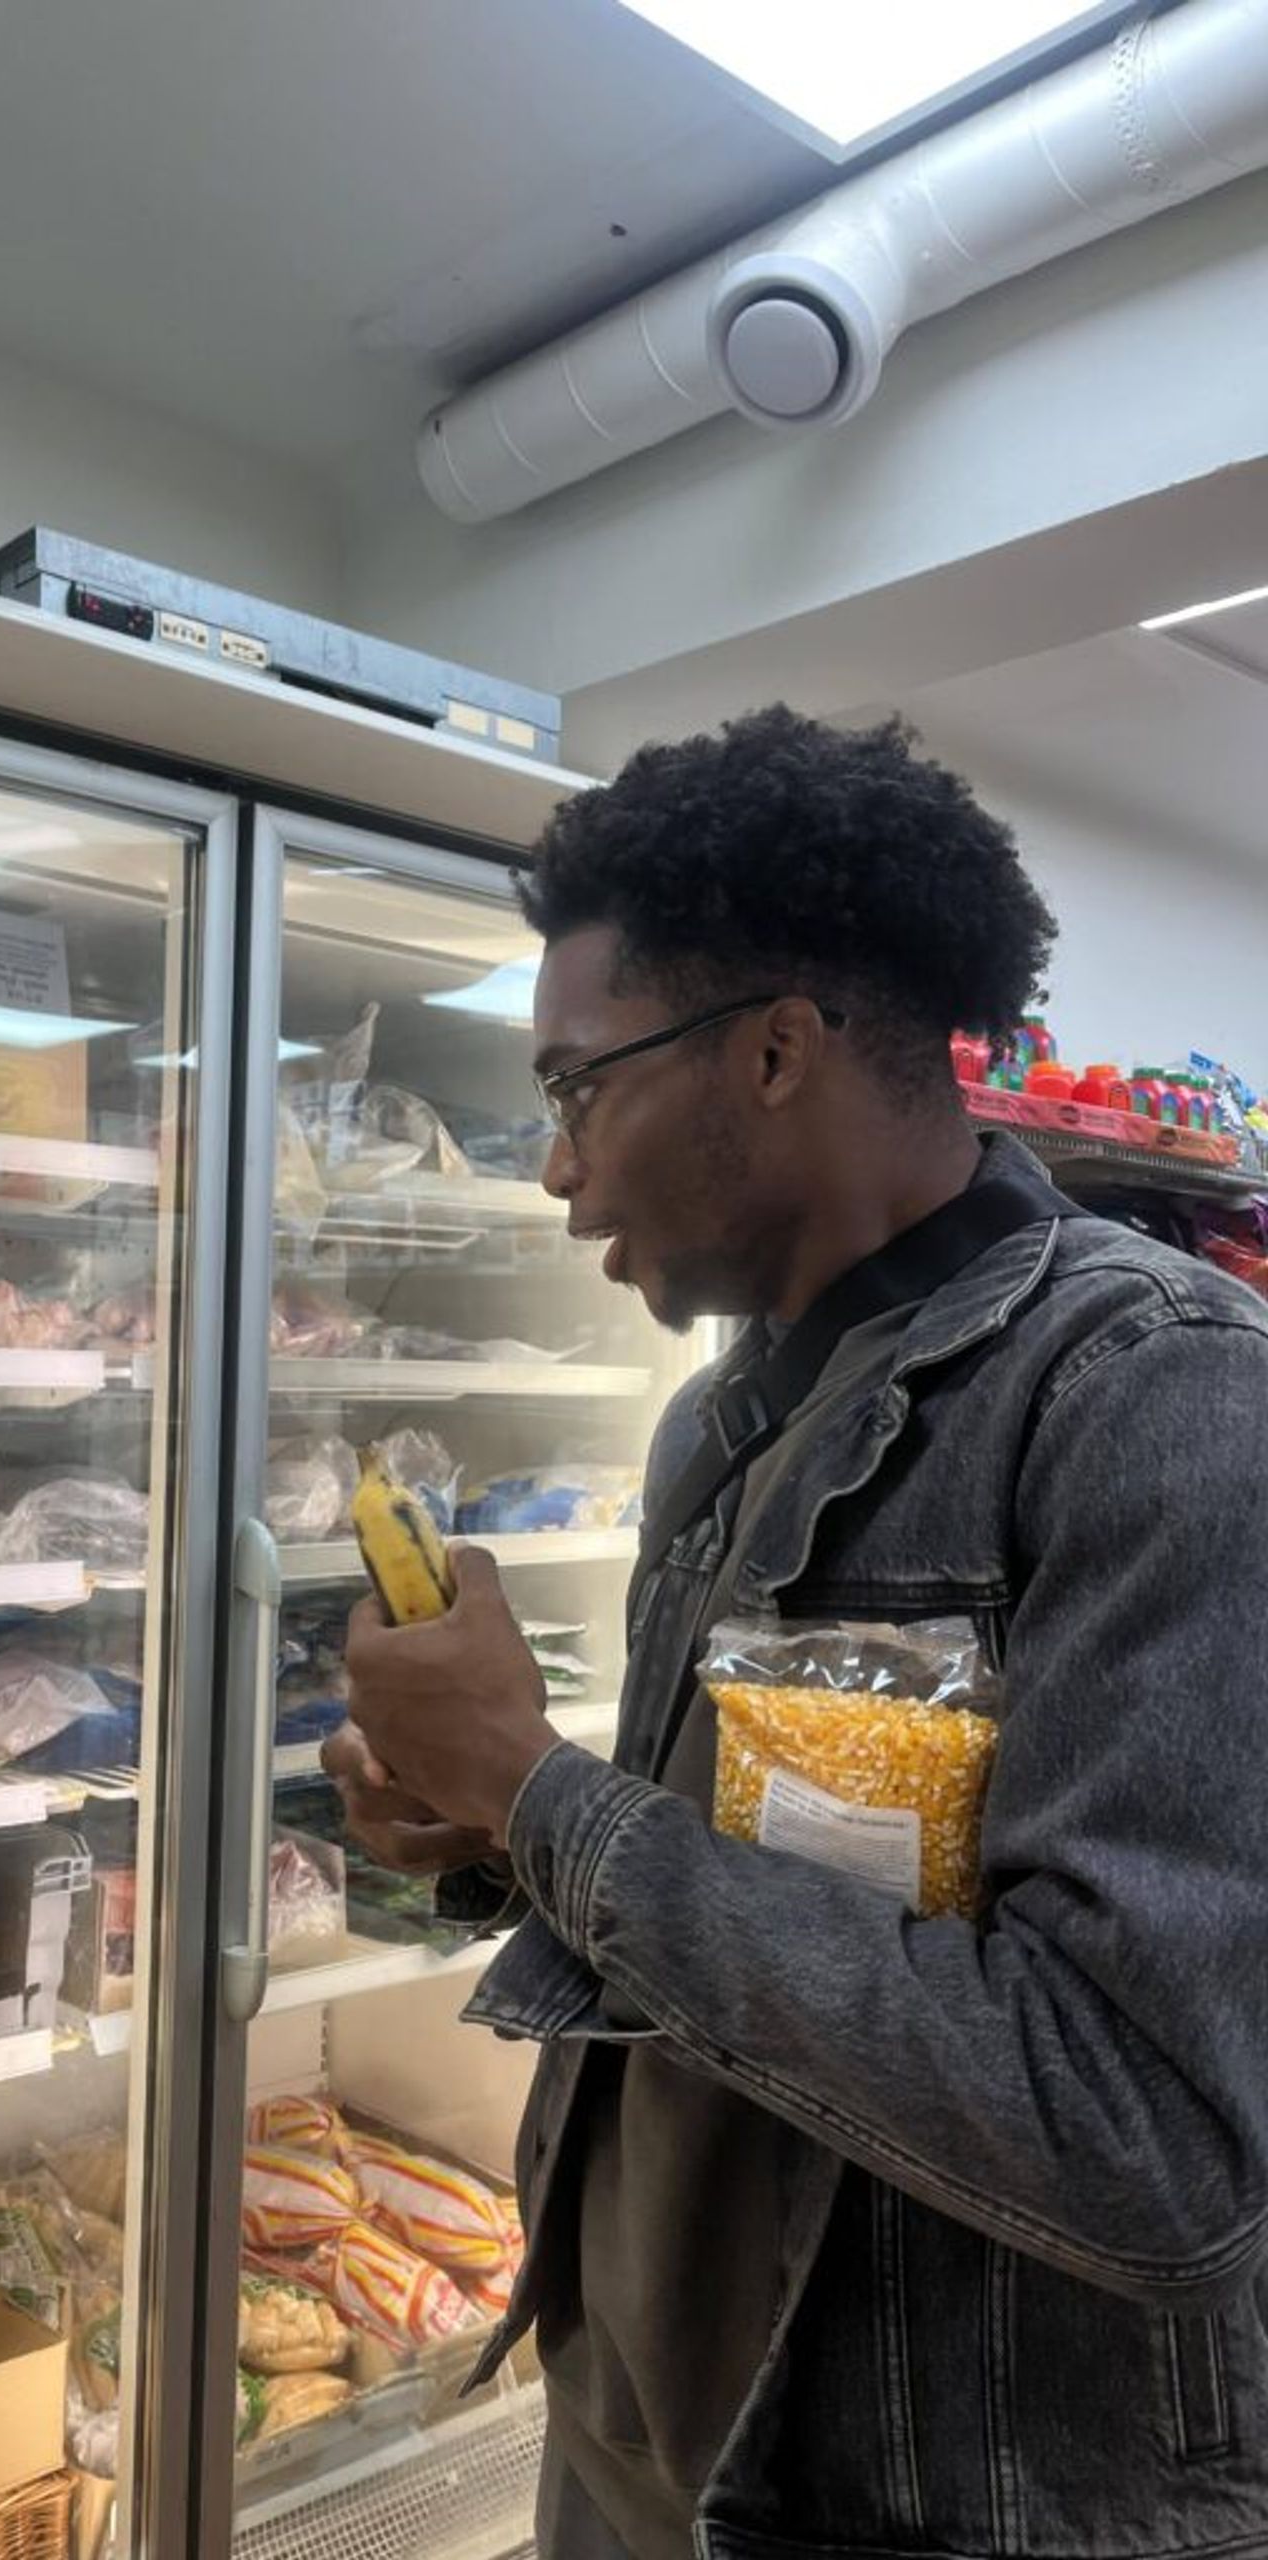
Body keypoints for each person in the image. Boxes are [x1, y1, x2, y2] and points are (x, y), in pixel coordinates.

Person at [327, 705, 1268, 2560]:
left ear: (771, 1051)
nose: (555, 1162)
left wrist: (542, 1800)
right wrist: (489, 1829)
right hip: (640, 2437)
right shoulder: (727, 1414)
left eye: (577, 1084)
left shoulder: (1161, 1406)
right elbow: (782, 1908)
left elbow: (1148, 2142)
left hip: (939, 2499)